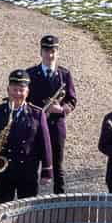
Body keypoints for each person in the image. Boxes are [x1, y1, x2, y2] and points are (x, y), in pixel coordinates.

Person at [0, 69, 53, 204]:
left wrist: (47, 171)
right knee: (2, 210)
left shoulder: (37, 114)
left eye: (21, 90)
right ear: (8, 90)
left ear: (27, 92)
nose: (17, 94)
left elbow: (45, 144)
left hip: (28, 171)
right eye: (14, 89)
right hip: (4, 172)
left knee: (27, 212)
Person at [27, 34, 78, 195]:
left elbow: (72, 100)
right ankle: (31, 199)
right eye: (47, 51)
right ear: (41, 53)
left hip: (56, 126)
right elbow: (24, 100)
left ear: (58, 53)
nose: (50, 55)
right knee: (32, 163)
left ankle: (59, 200)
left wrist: (62, 109)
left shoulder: (64, 74)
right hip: (35, 126)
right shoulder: (30, 74)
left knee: (58, 165)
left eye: (53, 51)